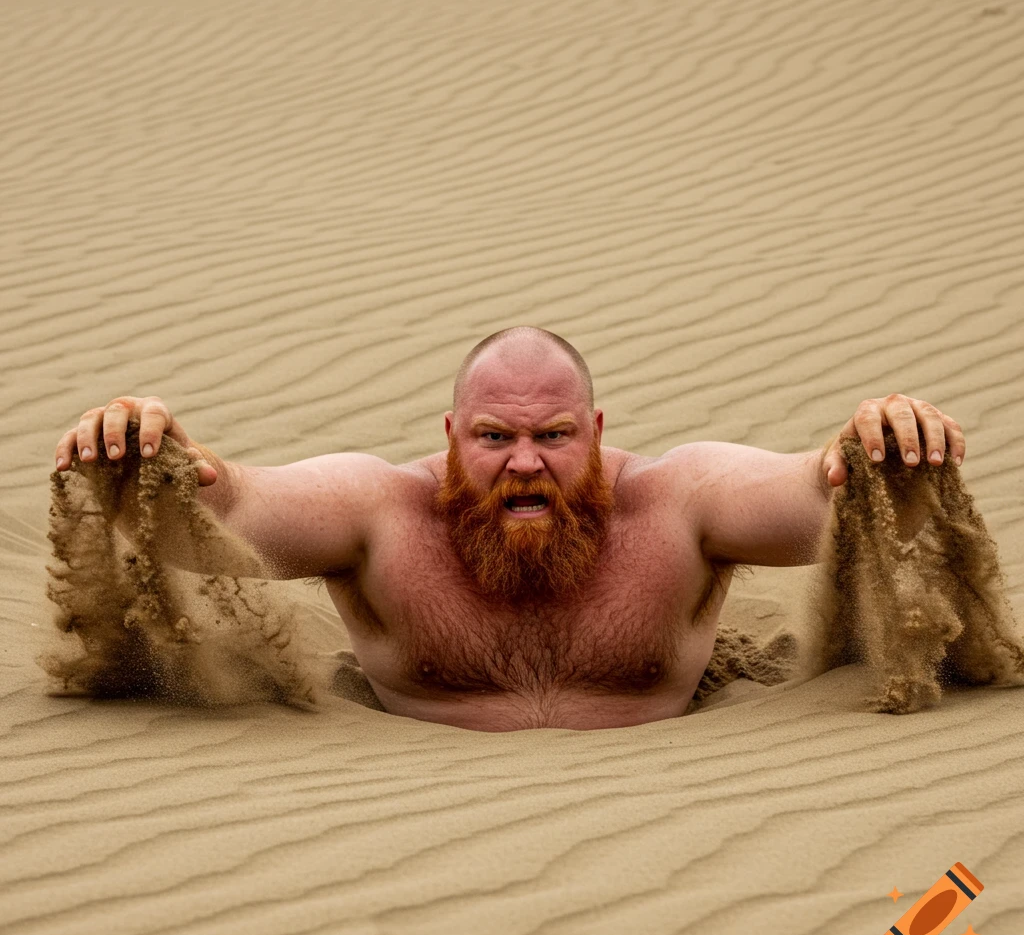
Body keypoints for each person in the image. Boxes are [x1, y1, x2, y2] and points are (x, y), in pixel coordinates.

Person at [53, 326, 967, 731]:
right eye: (494, 437)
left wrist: (886, 447)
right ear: (451, 439)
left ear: (597, 434)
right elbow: (224, 512)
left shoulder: (677, 501)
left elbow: (828, 502)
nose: (524, 462)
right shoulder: (379, 512)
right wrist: (143, 456)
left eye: (553, 437)